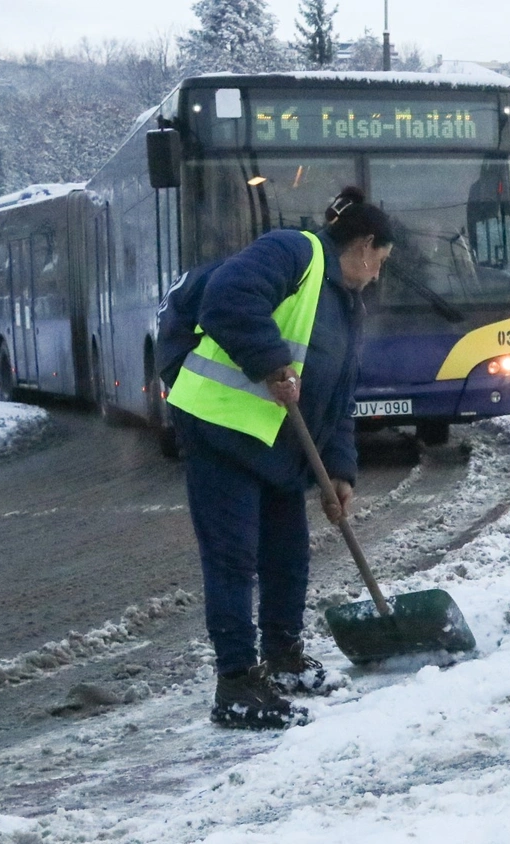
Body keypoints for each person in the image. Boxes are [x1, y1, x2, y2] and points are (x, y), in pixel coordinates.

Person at [165, 186, 394, 730]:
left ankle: (283, 658)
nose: (377, 274)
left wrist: (339, 472)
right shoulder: (294, 250)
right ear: (364, 244)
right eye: (381, 260)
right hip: (221, 428)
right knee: (234, 559)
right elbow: (228, 298)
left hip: (280, 446)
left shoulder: (348, 307)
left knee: (288, 557)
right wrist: (270, 361)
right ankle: (237, 683)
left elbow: (337, 400)